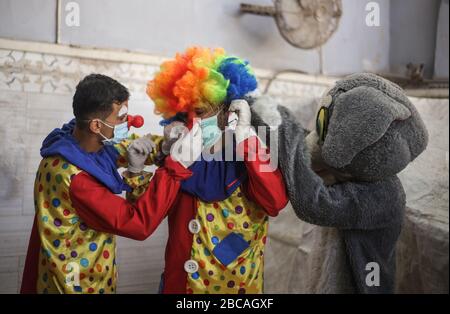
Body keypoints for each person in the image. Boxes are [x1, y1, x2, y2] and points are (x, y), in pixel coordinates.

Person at [21, 74, 192, 294]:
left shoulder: (75, 141)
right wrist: (174, 167)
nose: (130, 122)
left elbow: (128, 146)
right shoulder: (76, 179)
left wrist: (166, 145)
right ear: (95, 125)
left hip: (93, 271)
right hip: (75, 283)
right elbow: (137, 224)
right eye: (120, 117)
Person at [147, 46, 289, 294]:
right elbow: (146, 212)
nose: (193, 122)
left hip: (235, 289)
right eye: (185, 114)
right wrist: (144, 167)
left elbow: (275, 201)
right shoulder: (179, 155)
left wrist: (245, 137)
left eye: (200, 112)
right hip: (177, 285)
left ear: (227, 111)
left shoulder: (251, 152)